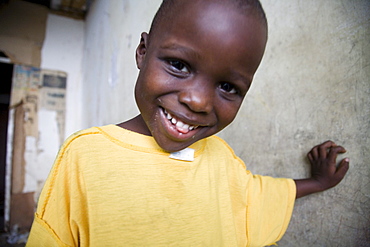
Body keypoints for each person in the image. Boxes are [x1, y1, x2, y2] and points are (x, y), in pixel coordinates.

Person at [26, 0, 350, 246]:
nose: (199, 101)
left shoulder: (221, 159)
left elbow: (257, 197)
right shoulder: (84, 157)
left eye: (228, 87)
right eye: (179, 64)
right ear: (142, 51)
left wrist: (318, 183)